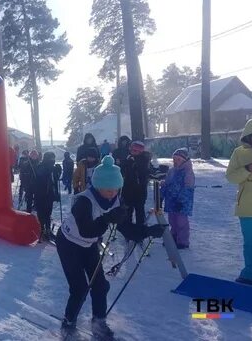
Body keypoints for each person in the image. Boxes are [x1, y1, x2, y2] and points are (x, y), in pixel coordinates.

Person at [55, 155, 165, 336]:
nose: (113, 193)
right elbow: (86, 231)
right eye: (108, 189)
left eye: (116, 188)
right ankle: (68, 322)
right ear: (98, 186)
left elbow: (127, 230)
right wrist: (107, 219)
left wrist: (149, 231)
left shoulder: (116, 201)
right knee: (80, 288)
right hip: (69, 244)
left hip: (88, 246)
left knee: (100, 286)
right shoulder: (84, 202)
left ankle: (99, 322)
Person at [226, 118, 252, 286]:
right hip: (247, 208)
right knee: (251, 243)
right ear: (249, 137)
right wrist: (248, 169)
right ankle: (251, 275)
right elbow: (230, 177)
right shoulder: (239, 153)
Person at [162, 148, 195, 250]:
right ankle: (173, 237)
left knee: (181, 222)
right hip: (171, 201)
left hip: (182, 203)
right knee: (172, 221)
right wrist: (161, 194)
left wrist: (181, 201)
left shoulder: (188, 173)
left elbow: (188, 189)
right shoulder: (171, 171)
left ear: (185, 161)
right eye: (174, 159)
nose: (176, 162)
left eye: (178, 160)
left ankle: (183, 241)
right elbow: (167, 184)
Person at [121, 141, 152, 226]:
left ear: (140, 152)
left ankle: (140, 232)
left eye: (135, 151)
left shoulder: (143, 160)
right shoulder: (128, 159)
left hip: (139, 190)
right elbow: (123, 171)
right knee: (127, 212)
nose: (133, 152)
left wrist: (134, 163)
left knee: (139, 212)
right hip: (128, 189)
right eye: (132, 150)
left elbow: (144, 174)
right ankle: (128, 231)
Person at [32, 151, 62, 241]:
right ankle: (41, 229)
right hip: (40, 194)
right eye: (50, 159)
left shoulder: (52, 168)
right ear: (45, 159)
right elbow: (41, 174)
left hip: (49, 194)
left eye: (53, 159)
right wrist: (51, 169)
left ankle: (48, 229)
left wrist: (58, 171)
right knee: (41, 213)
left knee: (48, 213)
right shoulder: (40, 166)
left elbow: (55, 180)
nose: (52, 161)